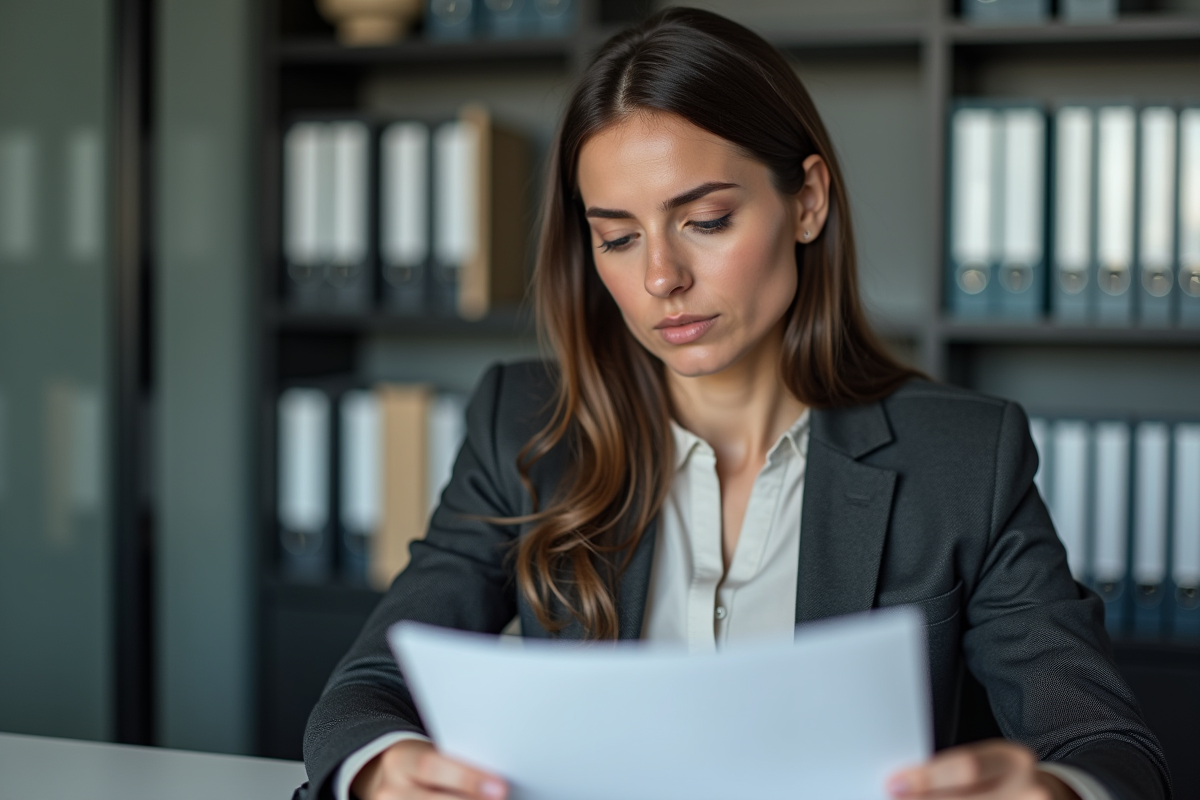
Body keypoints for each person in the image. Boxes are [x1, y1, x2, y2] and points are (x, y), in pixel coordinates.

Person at [299, 8, 1170, 800]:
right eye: (617, 236)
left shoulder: (965, 458)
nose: (660, 278)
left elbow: (1107, 746)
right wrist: (380, 769)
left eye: (705, 221)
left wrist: (1055, 792)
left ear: (808, 201)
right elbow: (367, 689)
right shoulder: (523, 426)